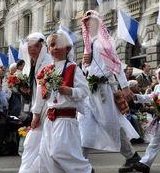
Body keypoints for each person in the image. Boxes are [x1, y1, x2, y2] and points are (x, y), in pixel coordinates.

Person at [79, 10, 140, 173]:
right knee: (84, 124)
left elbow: (116, 64)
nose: (88, 24)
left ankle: (131, 156)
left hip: (105, 89)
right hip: (90, 90)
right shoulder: (87, 44)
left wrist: (125, 86)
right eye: (86, 22)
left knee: (110, 124)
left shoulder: (105, 40)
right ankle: (81, 164)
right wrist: (84, 63)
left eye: (91, 21)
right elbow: (87, 68)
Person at [31, 30, 92, 173]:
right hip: (50, 119)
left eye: (59, 45)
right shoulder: (46, 70)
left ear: (67, 48)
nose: (55, 48)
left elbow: (84, 91)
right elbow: (40, 95)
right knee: (47, 156)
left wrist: (69, 90)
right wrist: (36, 114)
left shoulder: (73, 68)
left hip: (66, 118)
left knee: (60, 152)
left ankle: (86, 170)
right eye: (52, 45)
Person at [18, 32, 53, 173]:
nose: (32, 49)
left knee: (39, 144)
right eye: (30, 46)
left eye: (36, 46)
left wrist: (36, 113)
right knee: (36, 144)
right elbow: (33, 89)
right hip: (37, 108)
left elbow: (43, 91)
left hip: (46, 109)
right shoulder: (30, 64)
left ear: (43, 47)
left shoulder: (47, 63)